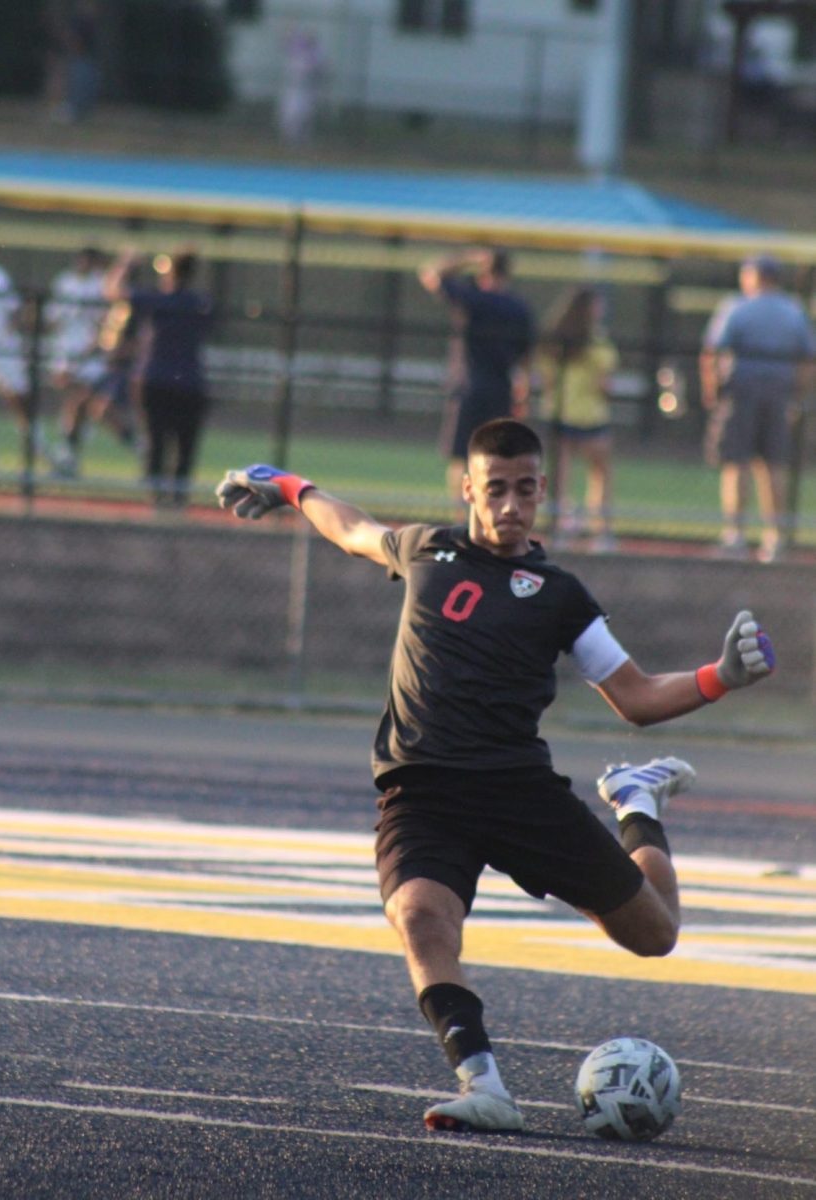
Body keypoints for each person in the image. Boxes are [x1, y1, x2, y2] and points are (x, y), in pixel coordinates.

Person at [215, 417, 775, 1135]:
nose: (510, 506)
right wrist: (291, 488)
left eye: (524, 490)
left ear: (542, 490)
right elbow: (350, 527)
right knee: (420, 914)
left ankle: (637, 803)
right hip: (421, 790)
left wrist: (718, 677)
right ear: (467, 490)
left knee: (653, 936)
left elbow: (634, 696)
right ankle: (484, 1086)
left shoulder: (558, 595)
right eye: (495, 490)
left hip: (515, 790)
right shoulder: (425, 549)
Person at [700, 254, 816, 563]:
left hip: (741, 392)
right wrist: (799, 395)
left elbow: (712, 350)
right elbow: (808, 359)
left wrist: (711, 390)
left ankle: (735, 534)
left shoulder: (738, 307)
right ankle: (774, 536)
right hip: (780, 395)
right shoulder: (794, 311)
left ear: (755, 276)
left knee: (736, 463)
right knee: (772, 464)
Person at [418, 247, 535, 518]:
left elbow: (431, 273)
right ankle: (490, 516)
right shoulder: (519, 307)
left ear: (485, 273)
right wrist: (524, 393)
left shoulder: (475, 299)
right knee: (497, 458)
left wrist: (467, 258)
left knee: (462, 457)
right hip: (501, 389)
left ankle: (462, 519)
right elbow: (527, 358)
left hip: (470, 388)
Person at [104, 247, 213, 508]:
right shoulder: (199, 303)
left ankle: (156, 501)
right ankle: (177, 501)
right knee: (184, 448)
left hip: (155, 380)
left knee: (156, 442)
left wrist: (125, 263)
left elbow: (112, 291)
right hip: (190, 382)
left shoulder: (157, 299)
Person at [536, 286, 619, 551]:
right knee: (600, 474)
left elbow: (546, 378)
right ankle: (600, 532)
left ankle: (559, 528)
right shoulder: (597, 341)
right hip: (591, 416)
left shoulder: (554, 339)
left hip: (560, 413)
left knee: (560, 476)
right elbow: (605, 384)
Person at [0, 243, 58, 472]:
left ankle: (42, 451)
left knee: (19, 402)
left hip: (4, 348)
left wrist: (11, 334)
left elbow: (14, 310)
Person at [45, 246, 111, 475]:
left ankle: (66, 454)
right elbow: (52, 319)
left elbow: (106, 322)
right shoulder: (64, 282)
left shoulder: (101, 284)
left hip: (91, 354)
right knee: (75, 403)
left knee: (82, 402)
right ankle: (67, 455)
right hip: (67, 352)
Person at [277, 27, 325, 144]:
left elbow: (321, 70)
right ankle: (290, 138)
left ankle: (303, 138)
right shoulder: (298, 51)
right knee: (289, 114)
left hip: (307, 89)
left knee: (305, 114)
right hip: (293, 87)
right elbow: (285, 41)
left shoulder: (316, 54)